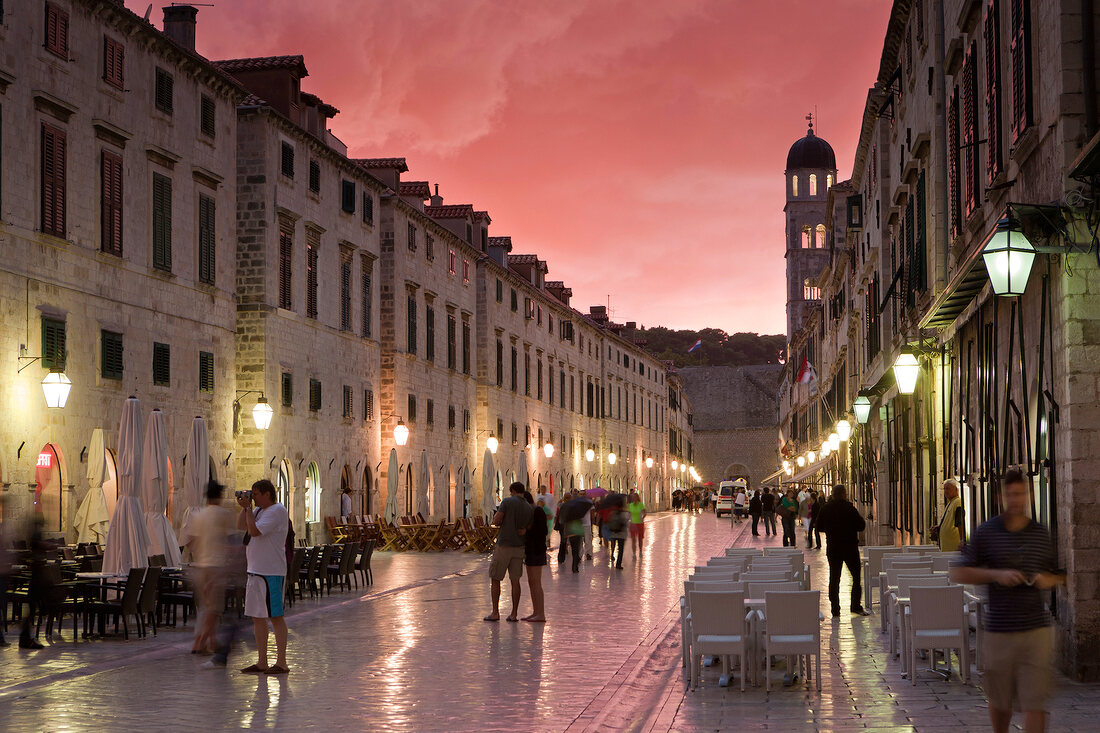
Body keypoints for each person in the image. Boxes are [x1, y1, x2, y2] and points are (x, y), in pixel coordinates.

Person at [951, 469, 1063, 733]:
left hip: (1036, 631)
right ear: (1003, 497)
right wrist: (996, 574)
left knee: (1035, 701)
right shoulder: (987, 533)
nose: (1016, 500)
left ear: (1029, 495)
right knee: (1001, 701)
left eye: (1021, 494)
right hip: (1000, 630)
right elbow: (959, 572)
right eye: (1011, 495)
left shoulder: (1040, 534)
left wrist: (1047, 580)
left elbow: (1058, 574)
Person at [237, 478, 290, 674]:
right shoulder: (258, 510)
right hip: (255, 571)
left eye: (256, 494)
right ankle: (261, 661)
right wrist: (246, 508)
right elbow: (241, 525)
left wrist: (249, 510)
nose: (253, 498)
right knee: (257, 617)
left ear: (267, 494)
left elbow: (255, 531)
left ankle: (282, 662)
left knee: (275, 616)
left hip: (271, 572)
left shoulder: (277, 511)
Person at [180, 479, 234, 656]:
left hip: (200, 566)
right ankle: (199, 642)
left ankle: (212, 641)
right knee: (214, 608)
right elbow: (228, 542)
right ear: (218, 495)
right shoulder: (222, 514)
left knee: (205, 606)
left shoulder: (198, 514)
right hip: (215, 566)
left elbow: (189, 541)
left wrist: (199, 553)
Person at [815, 484, 869, 617]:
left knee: (834, 578)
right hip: (850, 547)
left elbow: (819, 527)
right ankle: (855, 605)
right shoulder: (849, 508)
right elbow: (861, 526)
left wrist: (831, 529)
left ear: (832, 494)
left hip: (833, 547)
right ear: (844, 493)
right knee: (856, 577)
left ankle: (835, 609)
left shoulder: (825, 508)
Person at [484, 482, 533, 622]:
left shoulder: (507, 502)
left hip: (504, 545)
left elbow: (497, 519)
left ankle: (495, 613)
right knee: (515, 580)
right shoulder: (528, 507)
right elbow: (529, 526)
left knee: (495, 578)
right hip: (519, 547)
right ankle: (514, 614)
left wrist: (495, 521)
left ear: (513, 490)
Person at [521, 492, 547, 622]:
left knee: (536, 582)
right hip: (531, 550)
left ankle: (540, 613)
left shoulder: (538, 511)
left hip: (537, 550)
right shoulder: (532, 511)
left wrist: (528, 529)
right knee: (532, 582)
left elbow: (544, 531)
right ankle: (535, 611)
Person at [932, 479, 965, 552]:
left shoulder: (958, 502)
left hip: (953, 548)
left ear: (956, 490)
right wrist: (939, 528)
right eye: (944, 489)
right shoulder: (950, 503)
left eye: (948, 488)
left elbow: (960, 522)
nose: (946, 491)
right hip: (948, 548)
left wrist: (962, 541)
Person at [605, 504, 629, 569]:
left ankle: (612, 554)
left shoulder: (612, 513)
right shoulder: (625, 514)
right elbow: (626, 522)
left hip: (613, 533)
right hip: (622, 534)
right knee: (620, 549)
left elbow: (609, 521)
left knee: (613, 545)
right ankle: (618, 564)